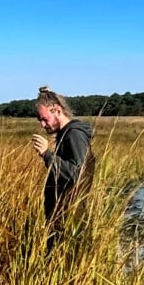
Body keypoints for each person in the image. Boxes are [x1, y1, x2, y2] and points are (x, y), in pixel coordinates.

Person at [30, 86, 95, 247]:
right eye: (40, 120)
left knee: (66, 263)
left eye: (45, 119)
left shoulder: (74, 135)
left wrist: (47, 154)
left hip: (70, 218)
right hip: (64, 216)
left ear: (57, 110)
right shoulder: (66, 133)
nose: (42, 124)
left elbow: (75, 174)